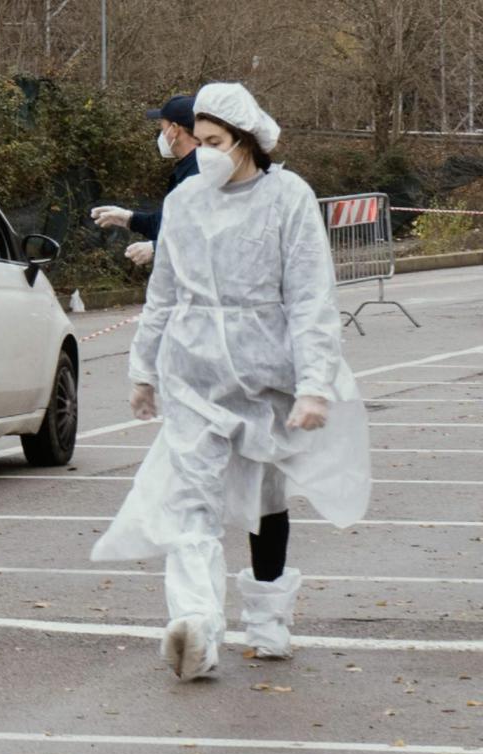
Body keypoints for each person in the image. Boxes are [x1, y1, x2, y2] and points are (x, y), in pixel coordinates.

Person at [90, 82, 371, 682]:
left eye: (216, 141)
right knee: (190, 499)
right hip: (194, 374)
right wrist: (143, 370)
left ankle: (269, 622)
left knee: (266, 501)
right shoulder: (187, 201)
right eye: (201, 141)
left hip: (267, 374)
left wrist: (314, 384)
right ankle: (195, 624)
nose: (206, 153)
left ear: (246, 140)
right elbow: (164, 292)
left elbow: (310, 298)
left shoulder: (288, 198)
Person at [90, 94, 200, 267]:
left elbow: (206, 234)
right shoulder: (187, 167)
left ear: (175, 129)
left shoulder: (200, 172)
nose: (162, 135)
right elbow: (167, 223)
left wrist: (157, 248)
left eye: (162, 128)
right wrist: (128, 218)